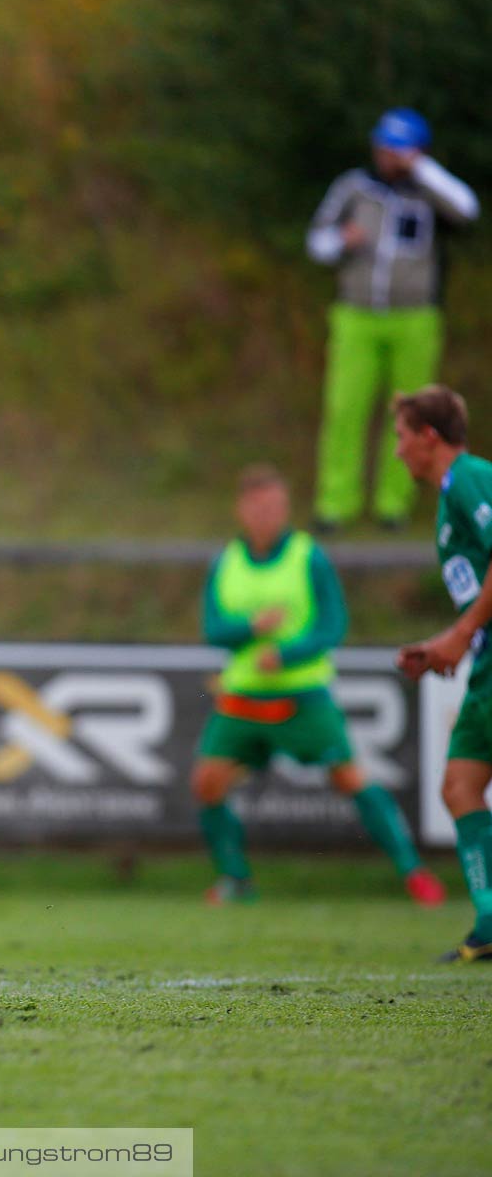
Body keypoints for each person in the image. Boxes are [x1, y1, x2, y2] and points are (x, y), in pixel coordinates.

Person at [192, 464, 442, 905]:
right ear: (241, 510)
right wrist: (252, 627)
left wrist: (286, 654)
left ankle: (413, 873)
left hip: (303, 695)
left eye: (276, 507)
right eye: (259, 507)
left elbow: (333, 626)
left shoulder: (308, 557)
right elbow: (213, 630)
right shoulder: (226, 562)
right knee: (207, 783)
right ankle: (236, 879)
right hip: (243, 697)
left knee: (350, 778)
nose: (268, 515)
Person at [309, 107, 479, 532]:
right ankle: (336, 503)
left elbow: (467, 208)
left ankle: (394, 504)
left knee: (411, 415)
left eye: (399, 150)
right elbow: (317, 241)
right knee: (345, 408)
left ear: (417, 152)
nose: (389, 157)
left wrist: (420, 169)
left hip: (415, 318)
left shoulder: (429, 192)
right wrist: (340, 241)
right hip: (357, 314)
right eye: (384, 147)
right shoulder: (354, 187)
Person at [392, 386, 492, 962]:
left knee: (461, 785)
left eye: (402, 437)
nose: (398, 451)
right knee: (460, 786)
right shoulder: (451, 495)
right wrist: (444, 646)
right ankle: (489, 924)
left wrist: (458, 635)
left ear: (429, 436)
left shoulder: (472, 478)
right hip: (485, 663)